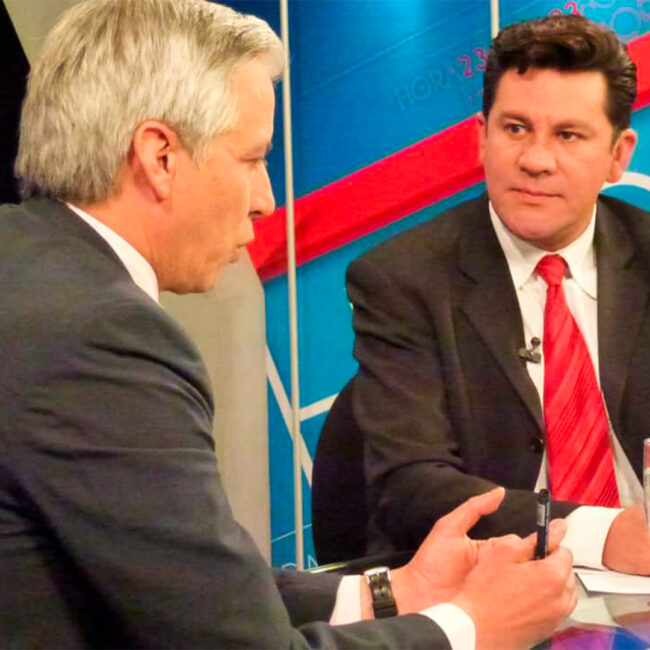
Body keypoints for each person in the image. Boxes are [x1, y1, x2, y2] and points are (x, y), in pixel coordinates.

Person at [0, 1, 576, 648]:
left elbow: (190, 589)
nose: (266, 199)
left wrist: (398, 590)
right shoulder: (101, 336)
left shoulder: (26, 269)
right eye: (252, 159)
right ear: (159, 157)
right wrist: (471, 626)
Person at [346, 12, 650, 576]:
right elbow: (410, 486)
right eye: (515, 129)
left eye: (568, 135)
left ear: (618, 155)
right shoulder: (402, 279)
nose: (535, 160)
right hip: (482, 583)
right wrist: (603, 535)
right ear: (481, 138)